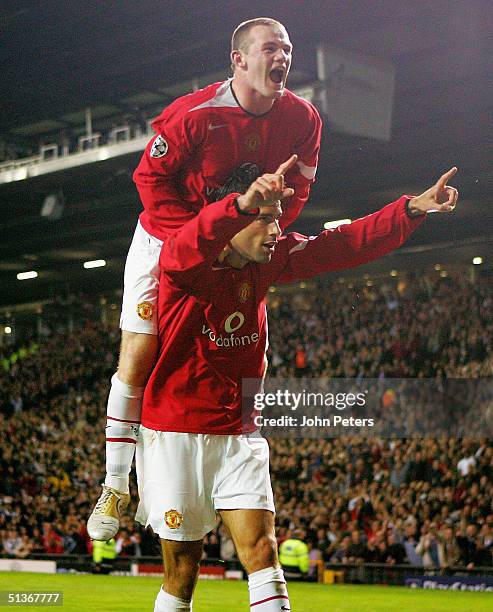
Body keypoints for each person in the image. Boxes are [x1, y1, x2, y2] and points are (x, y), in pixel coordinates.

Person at [135, 160, 458, 610]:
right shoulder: (184, 263)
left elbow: (340, 245)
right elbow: (187, 245)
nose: (275, 231)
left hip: (239, 431)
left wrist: (412, 209)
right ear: (236, 214)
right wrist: (241, 204)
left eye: (278, 220)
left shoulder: (267, 263)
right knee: (183, 569)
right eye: (265, 219)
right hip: (174, 431)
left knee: (263, 552)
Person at [88, 16, 322, 541]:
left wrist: (270, 228)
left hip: (235, 241)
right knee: (138, 354)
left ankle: (221, 462)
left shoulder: (304, 119)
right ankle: (113, 483)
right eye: (270, 48)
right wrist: (191, 239)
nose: (281, 57)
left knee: (229, 342)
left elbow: (298, 188)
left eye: (287, 49)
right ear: (239, 60)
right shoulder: (195, 114)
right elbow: (148, 179)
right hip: (166, 239)